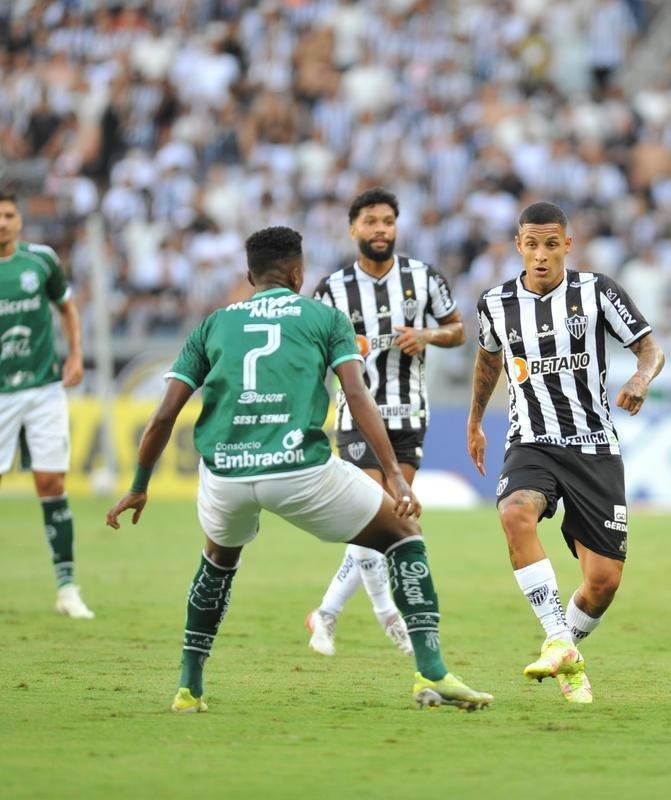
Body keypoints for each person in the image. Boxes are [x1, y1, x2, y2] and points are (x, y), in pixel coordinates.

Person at [105, 226, 491, 713]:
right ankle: (432, 672)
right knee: (403, 534)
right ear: (297, 272)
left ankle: (188, 687)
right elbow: (356, 395)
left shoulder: (212, 325)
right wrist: (393, 475)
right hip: (298, 470)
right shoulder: (324, 318)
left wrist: (139, 486)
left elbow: (163, 415)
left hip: (225, 474)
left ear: (249, 274)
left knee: (218, 562)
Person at [468, 201, 665, 704]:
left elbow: (649, 346)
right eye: (531, 245)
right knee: (514, 513)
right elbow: (488, 358)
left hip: (594, 446)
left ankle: (565, 650)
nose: (541, 255)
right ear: (518, 246)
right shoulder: (496, 302)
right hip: (531, 440)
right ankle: (557, 635)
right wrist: (474, 422)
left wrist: (641, 378)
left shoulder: (595, 291)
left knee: (602, 582)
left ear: (567, 246)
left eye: (551, 244)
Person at [305, 187, 464, 658]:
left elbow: (458, 330)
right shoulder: (331, 289)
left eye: (388, 221)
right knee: (372, 515)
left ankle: (327, 613)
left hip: (410, 415)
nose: (381, 230)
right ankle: (382, 615)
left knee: (389, 521)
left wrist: (427, 334)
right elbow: (312, 352)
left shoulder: (423, 277)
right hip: (357, 416)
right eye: (371, 221)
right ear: (353, 228)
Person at [0, 191, 90, 618]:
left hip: (42, 389)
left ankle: (67, 588)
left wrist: (75, 354)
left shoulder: (41, 261)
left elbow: (67, 308)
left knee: (52, 484)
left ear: (20, 220)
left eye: (9, 215)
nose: (2, 223)